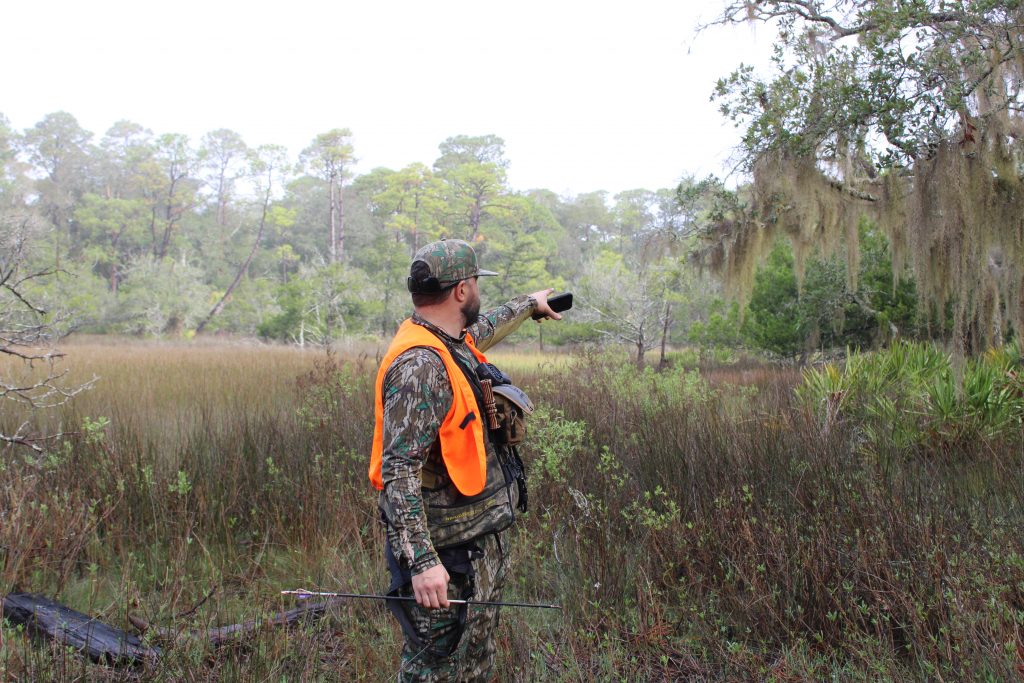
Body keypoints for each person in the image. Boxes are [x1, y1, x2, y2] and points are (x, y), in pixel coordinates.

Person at [368, 239, 562, 681]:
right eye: (475, 283)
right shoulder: (420, 365)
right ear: (460, 292)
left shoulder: (449, 341)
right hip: (447, 561)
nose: (478, 292)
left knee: (472, 665)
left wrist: (531, 305)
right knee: (433, 672)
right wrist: (422, 563)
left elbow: (484, 327)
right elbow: (399, 471)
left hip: (473, 548)